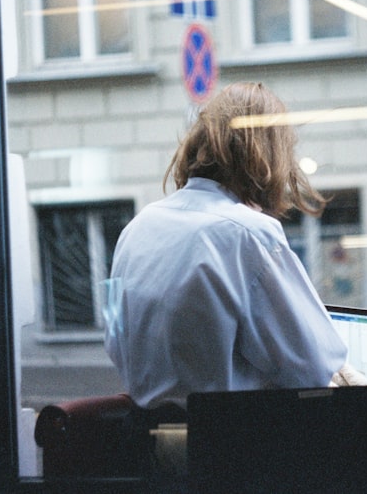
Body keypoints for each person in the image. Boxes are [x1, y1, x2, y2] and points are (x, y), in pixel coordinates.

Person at [104, 82, 350, 411]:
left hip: (152, 446)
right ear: (269, 157)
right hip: (231, 447)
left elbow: (115, 342)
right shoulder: (247, 233)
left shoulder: (137, 228)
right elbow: (315, 366)